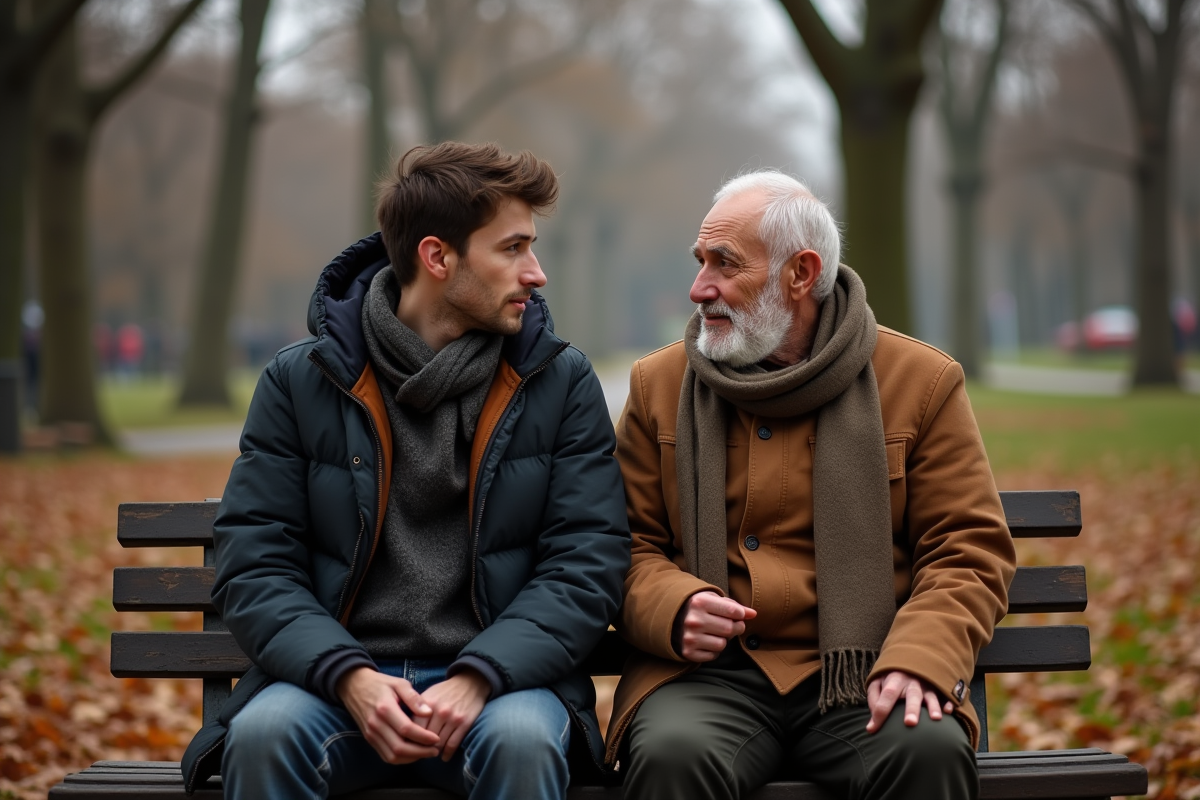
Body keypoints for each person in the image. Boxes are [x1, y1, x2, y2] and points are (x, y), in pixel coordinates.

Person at [180, 141, 630, 800]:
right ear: (438, 257)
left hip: (502, 688)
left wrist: (479, 675)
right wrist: (349, 678)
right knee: (265, 734)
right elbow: (255, 564)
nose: (535, 273)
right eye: (512, 248)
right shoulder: (301, 381)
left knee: (522, 743)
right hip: (335, 686)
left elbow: (585, 564)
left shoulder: (558, 381)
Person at [608, 171, 1016, 800]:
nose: (699, 288)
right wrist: (674, 606)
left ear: (800, 274)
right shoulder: (657, 386)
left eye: (725, 264)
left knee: (927, 752)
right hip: (708, 679)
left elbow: (968, 550)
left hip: (869, 672)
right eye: (700, 261)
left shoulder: (921, 381)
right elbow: (622, 544)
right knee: (672, 756)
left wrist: (922, 659)